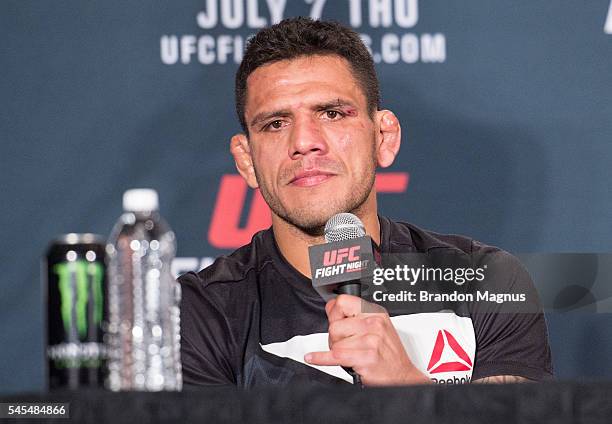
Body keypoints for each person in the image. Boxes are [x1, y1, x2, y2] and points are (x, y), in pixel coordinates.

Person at [179, 17, 552, 387]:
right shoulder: (200, 312)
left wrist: (405, 386)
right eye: (276, 123)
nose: (304, 141)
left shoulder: (487, 281)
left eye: (332, 113)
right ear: (246, 160)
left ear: (383, 138)